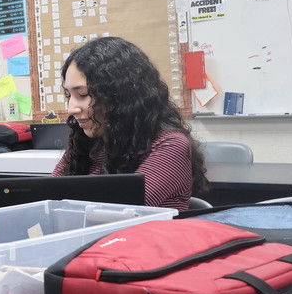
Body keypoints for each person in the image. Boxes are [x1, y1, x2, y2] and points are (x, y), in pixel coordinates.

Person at [52, 36, 208, 210]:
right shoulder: (87, 143)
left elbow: (115, 215)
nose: (71, 108)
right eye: (69, 95)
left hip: (142, 236)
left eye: (83, 94)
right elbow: (49, 201)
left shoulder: (170, 145)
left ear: (119, 96)